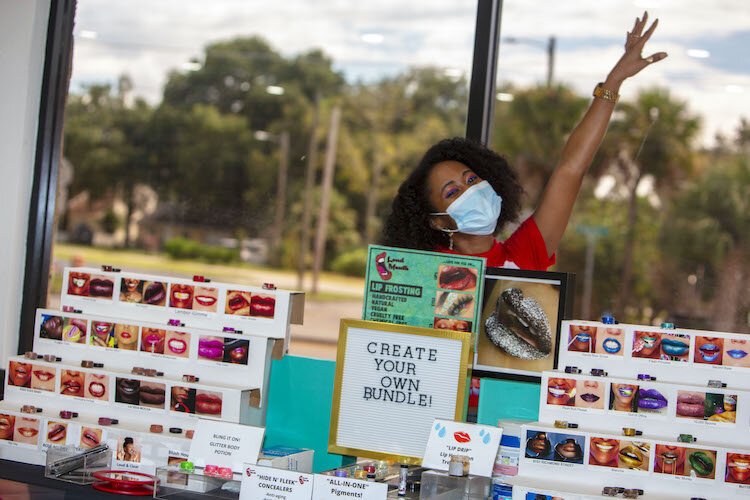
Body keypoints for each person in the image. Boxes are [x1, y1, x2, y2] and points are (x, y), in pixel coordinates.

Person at [383, 13, 667, 270]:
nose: (471, 191)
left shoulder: (523, 255)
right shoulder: (419, 272)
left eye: (471, 180)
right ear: (438, 220)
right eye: (452, 192)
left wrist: (614, 81)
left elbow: (571, 168)